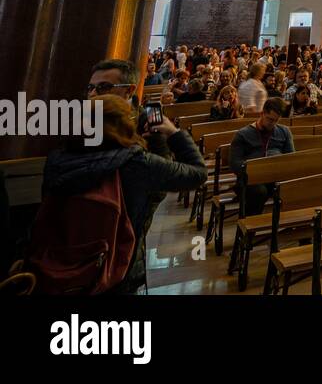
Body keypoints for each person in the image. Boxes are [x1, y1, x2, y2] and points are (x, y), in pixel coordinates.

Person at [33, 95, 207, 294]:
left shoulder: (57, 159)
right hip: (116, 267)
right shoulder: (136, 164)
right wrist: (173, 134)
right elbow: (197, 173)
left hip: (58, 263)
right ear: (121, 125)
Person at [229, 98, 295, 216]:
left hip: (275, 176)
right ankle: (248, 227)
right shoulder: (243, 134)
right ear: (262, 114)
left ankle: (290, 224)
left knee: (294, 187)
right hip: (250, 179)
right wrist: (255, 170)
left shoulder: (284, 131)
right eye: (269, 119)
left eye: (276, 120)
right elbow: (235, 163)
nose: (272, 124)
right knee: (259, 192)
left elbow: (291, 158)